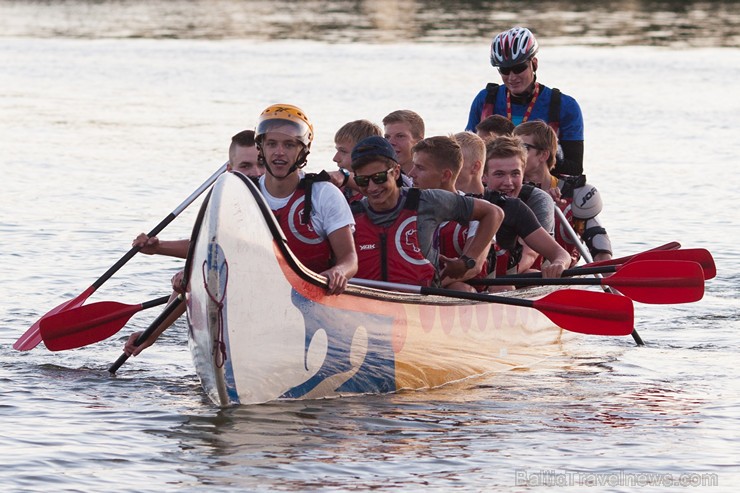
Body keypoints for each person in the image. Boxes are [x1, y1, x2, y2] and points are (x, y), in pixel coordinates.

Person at [124, 105, 359, 356]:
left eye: (289, 145)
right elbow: (206, 253)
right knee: (197, 271)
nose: (279, 153)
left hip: (311, 309)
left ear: (303, 151)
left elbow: (349, 260)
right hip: (255, 306)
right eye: (271, 144)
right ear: (262, 148)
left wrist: (338, 272)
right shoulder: (239, 198)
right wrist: (152, 332)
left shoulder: (324, 194)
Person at [350, 136, 503, 288]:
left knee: (463, 289)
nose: (371, 188)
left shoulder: (428, 201)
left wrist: (467, 260)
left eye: (379, 178)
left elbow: (494, 213)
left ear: (396, 172)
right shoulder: (351, 214)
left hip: (420, 303)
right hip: (366, 306)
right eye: (363, 181)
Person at [465, 26, 585, 177]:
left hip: (544, 188)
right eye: (505, 70)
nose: (512, 77)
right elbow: (467, 156)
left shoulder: (566, 106)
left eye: (519, 68)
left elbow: (575, 168)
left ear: (534, 64)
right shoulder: (484, 99)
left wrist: (541, 152)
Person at [514, 120, 612, 265]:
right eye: (513, 147)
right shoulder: (506, 189)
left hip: (561, 271)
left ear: (543, 155)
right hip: (518, 272)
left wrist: (609, 278)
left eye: (523, 148)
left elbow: (598, 244)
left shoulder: (574, 193)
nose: (515, 154)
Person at [407, 134, 491, 292]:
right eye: (413, 165)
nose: (411, 173)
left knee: (458, 287)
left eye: (420, 168)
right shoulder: (406, 206)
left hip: (459, 290)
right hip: (417, 287)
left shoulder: (479, 212)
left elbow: (475, 267)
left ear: (445, 175)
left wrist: (431, 285)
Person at [482, 136, 570, 280]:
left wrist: (559, 263)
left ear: (523, 173)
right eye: (499, 174)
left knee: (532, 275)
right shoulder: (473, 200)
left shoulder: (533, 201)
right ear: (483, 176)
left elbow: (531, 254)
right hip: (482, 276)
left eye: (515, 174)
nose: (508, 182)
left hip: (518, 273)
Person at [331, 119, 383, 204]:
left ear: (366, 155)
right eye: (337, 150)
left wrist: (345, 176)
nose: (335, 158)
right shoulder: (337, 190)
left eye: (343, 151)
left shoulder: (381, 193)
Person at [382, 109, 425, 177]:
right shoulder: (378, 181)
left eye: (400, 136)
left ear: (419, 142)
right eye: (387, 137)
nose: (390, 143)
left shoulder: (431, 182)